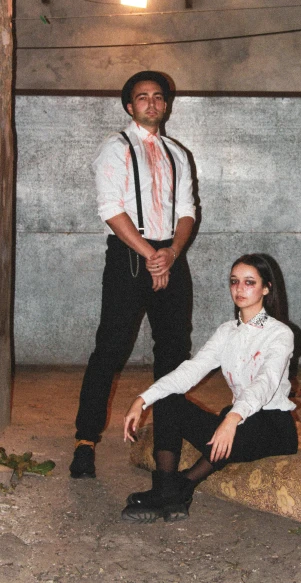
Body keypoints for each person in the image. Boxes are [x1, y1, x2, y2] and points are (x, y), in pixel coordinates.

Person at [70, 71, 196, 478]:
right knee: (110, 348)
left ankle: (167, 444)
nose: (152, 103)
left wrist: (171, 253)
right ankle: (85, 443)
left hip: (171, 256)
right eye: (142, 98)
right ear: (130, 106)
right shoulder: (115, 148)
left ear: (166, 105)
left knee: (175, 352)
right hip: (129, 255)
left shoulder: (178, 153)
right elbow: (110, 209)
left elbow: (187, 211)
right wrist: (150, 256)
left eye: (158, 97)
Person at [121, 253, 297, 523]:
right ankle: (169, 488)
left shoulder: (280, 333)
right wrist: (143, 399)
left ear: (266, 288)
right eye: (234, 281)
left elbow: (266, 382)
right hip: (237, 419)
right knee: (168, 399)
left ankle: (178, 488)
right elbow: (191, 370)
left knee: (234, 421)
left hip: (272, 427)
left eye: (249, 282)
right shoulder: (227, 331)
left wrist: (232, 418)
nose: (239, 289)